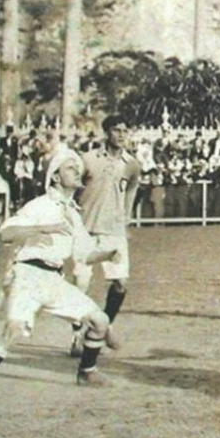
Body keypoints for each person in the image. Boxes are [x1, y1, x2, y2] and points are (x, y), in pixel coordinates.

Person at [0, 148, 122, 405]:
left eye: (78, 167)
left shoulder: (73, 214)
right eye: (70, 167)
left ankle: (86, 372)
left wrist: (107, 254)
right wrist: (44, 227)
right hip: (28, 275)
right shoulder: (40, 205)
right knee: (11, 331)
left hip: (55, 279)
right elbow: (5, 234)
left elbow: (84, 255)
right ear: (56, 177)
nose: (77, 171)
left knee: (101, 321)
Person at [70, 116, 141, 357]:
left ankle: (104, 326)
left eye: (125, 130)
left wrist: (127, 215)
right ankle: (77, 336)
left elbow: (132, 187)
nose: (121, 135)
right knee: (81, 284)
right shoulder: (88, 160)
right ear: (106, 132)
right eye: (116, 130)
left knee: (120, 284)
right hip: (87, 230)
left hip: (114, 231)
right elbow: (72, 187)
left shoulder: (131, 163)